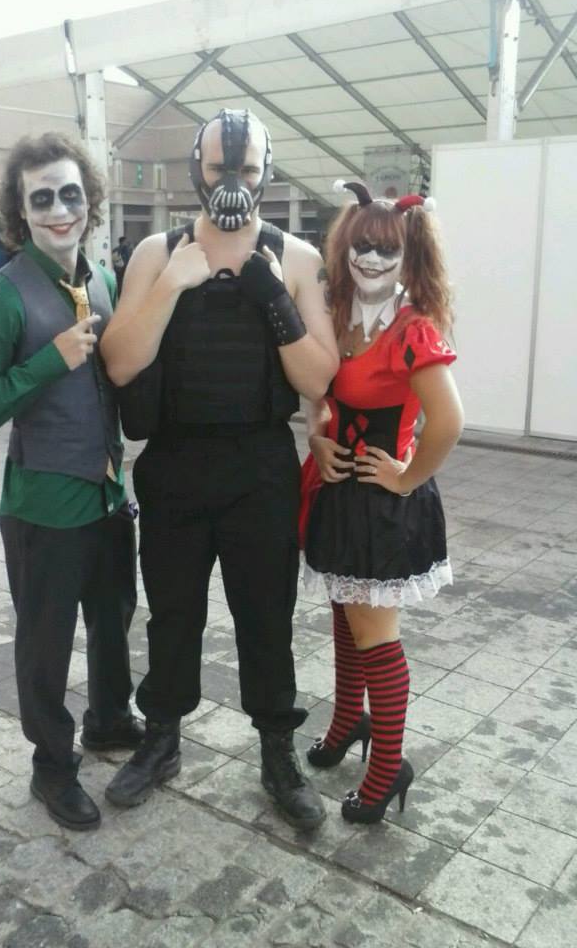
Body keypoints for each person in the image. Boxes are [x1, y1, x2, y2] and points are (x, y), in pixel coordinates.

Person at [100, 108, 340, 830]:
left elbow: (318, 379)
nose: (232, 181)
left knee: (266, 617)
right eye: (217, 168)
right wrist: (172, 284)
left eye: (246, 168)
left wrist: (272, 296)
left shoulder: (296, 258)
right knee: (173, 613)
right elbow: (121, 363)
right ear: (195, 171)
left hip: (259, 466)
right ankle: (162, 738)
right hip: (175, 463)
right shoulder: (156, 251)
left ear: (266, 171)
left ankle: (276, 752)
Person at [0, 132, 143, 831]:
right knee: (46, 641)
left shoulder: (101, 279)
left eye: (70, 194)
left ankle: (109, 718)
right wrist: (47, 362)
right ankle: (52, 765)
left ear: (90, 200)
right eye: (42, 199)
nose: (60, 210)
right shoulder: (5, 295)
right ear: (21, 211)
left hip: (108, 495)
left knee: (114, 618)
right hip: (43, 506)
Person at [301, 182, 464, 824]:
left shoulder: (412, 330)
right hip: (339, 494)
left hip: (381, 506)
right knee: (346, 618)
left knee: (375, 634)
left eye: (386, 249)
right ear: (346, 248)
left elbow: (448, 422)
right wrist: (317, 435)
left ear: (409, 255)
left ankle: (390, 765)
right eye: (362, 246)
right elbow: (321, 396)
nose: (371, 259)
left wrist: (405, 477)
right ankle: (349, 721)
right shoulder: (339, 315)